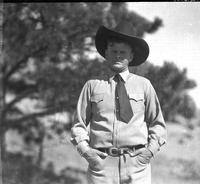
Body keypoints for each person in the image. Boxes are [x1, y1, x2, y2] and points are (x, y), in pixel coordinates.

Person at [70, 21, 167, 184]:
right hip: (101, 166)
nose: (118, 56)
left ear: (131, 56)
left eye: (123, 52)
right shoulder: (92, 85)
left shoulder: (144, 85)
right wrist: (86, 152)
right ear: (106, 53)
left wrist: (148, 153)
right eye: (114, 51)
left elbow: (158, 124)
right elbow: (78, 125)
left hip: (137, 166)